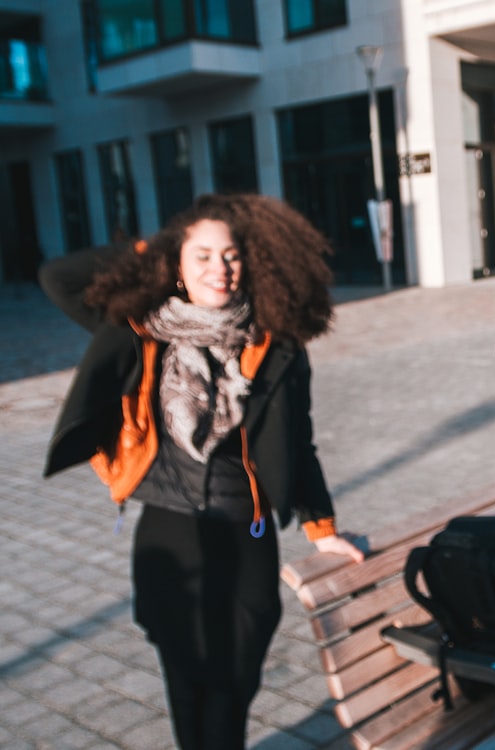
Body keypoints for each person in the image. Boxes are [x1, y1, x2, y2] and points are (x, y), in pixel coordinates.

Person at [41, 193, 364, 750]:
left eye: (232, 255)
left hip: (247, 527)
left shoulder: (274, 341)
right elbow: (58, 277)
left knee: (239, 669)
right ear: (178, 266)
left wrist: (323, 530)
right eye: (203, 256)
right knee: (186, 674)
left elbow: (301, 443)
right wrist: (155, 250)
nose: (220, 268)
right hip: (170, 522)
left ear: (252, 263)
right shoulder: (141, 328)